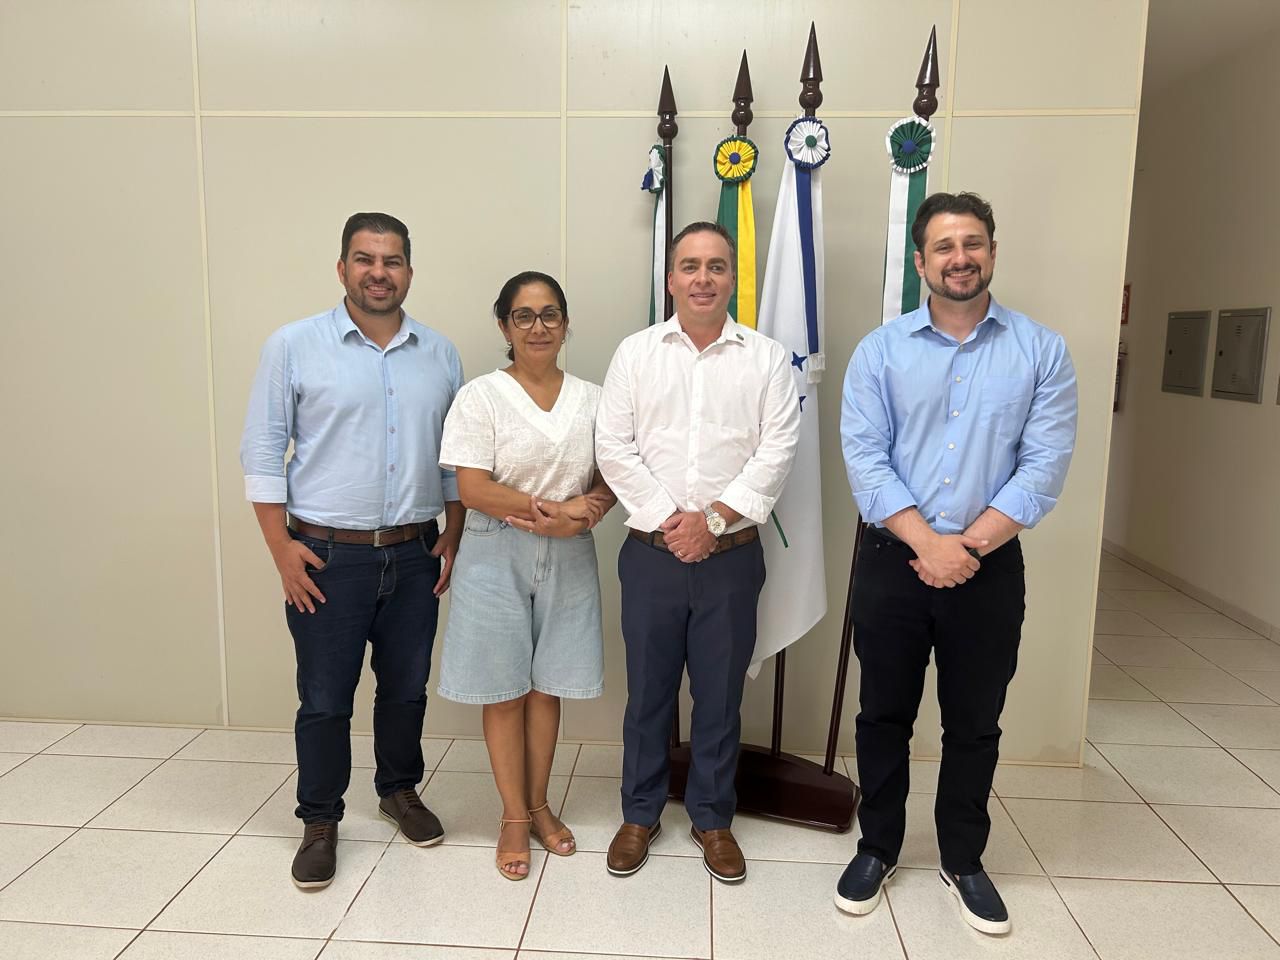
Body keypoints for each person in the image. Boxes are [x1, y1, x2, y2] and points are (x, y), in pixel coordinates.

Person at [836, 192, 1077, 934]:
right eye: (943, 246)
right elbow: (865, 459)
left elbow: (1043, 468)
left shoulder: (1041, 351)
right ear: (920, 262)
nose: (959, 258)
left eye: (972, 243)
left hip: (988, 568)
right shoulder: (880, 351)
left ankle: (963, 858)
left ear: (993, 253)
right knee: (883, 715)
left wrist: (963, 548)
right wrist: (927, 543)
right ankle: (878, 846)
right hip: (893, 562)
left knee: (975, 722)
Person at [241, 212, 464, 890]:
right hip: (326, 559)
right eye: (365, 259)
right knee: (325, 698)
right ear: (342, 268)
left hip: (414, 553)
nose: (378, 272)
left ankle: (398, 790)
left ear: (409, 272)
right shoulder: (294, 345)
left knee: (405, 689)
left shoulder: (440, 353)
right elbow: (262, 451)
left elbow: (455, 458)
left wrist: (453, 530)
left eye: (391, 260)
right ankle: (319, 819)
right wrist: (281, 550)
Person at [595, 222, 800, 884]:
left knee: (718, 697)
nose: (703, 278)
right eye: (690, 266)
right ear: (671, 279)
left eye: (716, 266)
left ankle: (712, 818)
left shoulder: (767, 358)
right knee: (648, 695)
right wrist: (673, 522)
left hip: (731, 557)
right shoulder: (636, 354)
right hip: (651, 556)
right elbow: (613, 448)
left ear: (732, 278)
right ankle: (640, 813)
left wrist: (710, 522)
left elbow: (777, 451)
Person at [436, 271, 615, 880]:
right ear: (504, 326)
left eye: (549, 314)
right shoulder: (480, 397)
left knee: (547, 687)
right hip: (495, 551)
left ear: (565, 323)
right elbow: (472, 488)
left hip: (570, 553)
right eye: (524, 316)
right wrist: (555, 510)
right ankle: (513, 815)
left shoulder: (594, 399)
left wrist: (585, 511)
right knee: (505, 689)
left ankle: (540, 805)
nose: (538, 327)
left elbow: (610, 478)